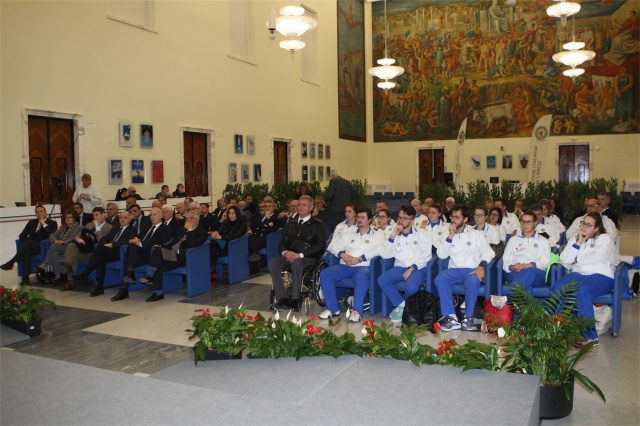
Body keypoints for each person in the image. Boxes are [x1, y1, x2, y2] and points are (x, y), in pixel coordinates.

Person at [550, 212, 615, 347]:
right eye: (583, 223)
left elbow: (598, 258)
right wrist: (579, 242)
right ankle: (557, 327)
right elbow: (565, 260)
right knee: (558, 285)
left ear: (597, 228)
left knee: (581, 290)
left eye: (589, 225)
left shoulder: (605, 239)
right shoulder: (575, 240)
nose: (584, 227)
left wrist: (577, 259)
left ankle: (590, 336)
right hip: (579, 274)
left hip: (601, 275)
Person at [435, 205, 495, 332]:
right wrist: (450, 236)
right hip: (454, 270)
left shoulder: (476, 234)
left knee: (472, 281)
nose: (453, 220)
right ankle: (451, 317)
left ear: (465, 219)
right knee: (440, 279)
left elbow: (489, 252)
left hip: (472, 270)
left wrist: (481, 266)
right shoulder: (448, 235)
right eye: (452, 217)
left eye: (457, 217)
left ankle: (469, 318)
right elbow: (441, 254)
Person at [319, 208, 383, 322]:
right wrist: (342, 255)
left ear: (370, 220)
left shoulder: (376, 233)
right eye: (358, 217)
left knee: (360, 276)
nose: (359, 220)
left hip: (364, 266)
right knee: (325, 274)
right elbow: (332, 246)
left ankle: (357, 311)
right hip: (345, 265)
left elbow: (380, 249)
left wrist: (359, 259)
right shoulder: (349, 233)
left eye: (362, 218)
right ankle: (333, 309)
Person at [270, 195, 327, 311]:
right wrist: (286, 252)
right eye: (299, 205)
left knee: (297, 263)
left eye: (304, 205)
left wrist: (300, 255)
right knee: (273, 262)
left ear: (311, 207)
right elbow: (282, 244)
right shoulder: (291, 223)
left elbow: (320, 246)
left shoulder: (318, 224)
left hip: (308, 257)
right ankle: (283, 298)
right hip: (291, 255)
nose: (300, 207)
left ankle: (296, 299)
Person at [136, 212, 209, 302]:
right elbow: (172, 243)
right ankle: (157, 291)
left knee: (157, 263)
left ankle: (154, 285)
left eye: (191, 218)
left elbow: (192, 244)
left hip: (183, 257)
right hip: (172, 254)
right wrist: (162, 247)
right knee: (158, 254)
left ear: (197, 220)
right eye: (186, 219)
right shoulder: (181, 230)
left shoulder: (202, 232)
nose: (188, 220)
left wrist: (189, 231)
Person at [377, 205, 432, 322]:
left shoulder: (422, 234)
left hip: (418, 268)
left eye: (405, 218)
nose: (401, 220)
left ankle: (406, 311)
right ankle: (403, 305)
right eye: (400, 217)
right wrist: (393, 235)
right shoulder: (394, 234)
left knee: (411, 286)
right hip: (400, 266)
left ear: (412, 220)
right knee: (382, 280)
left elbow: (426, 255)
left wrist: (411, 268)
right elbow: (385, 255)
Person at [70, 211, 137, 297]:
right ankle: (100, 286)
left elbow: (127, 241)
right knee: (101, 257)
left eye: (125, 217)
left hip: (120, 252)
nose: (122, 219)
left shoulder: (132, 229)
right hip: (108, 250)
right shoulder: (115, 228)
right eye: (121, 217)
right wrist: (105, 244)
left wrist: (112, 244)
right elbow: (104, 238)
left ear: (130, 219)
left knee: (100, 249)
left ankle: (85, 273)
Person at [114, 207, 171, 300]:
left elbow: (161, 241)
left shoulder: (165, 228)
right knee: (129, 251)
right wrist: (136, 240)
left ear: (161, 216)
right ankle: (126, 282)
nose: (152, 217)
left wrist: (141, 243)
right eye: (151, 215)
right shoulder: (146, 228)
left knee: (128, 257)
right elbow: (138, 237)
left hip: (152, 255)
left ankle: (126, 283)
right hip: (141, 254)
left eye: (155, 214)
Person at [1, 205, 58, 284]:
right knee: (27, 252)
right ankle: (25, 278)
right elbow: (22, 235)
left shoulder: (52, 223)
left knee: (28, 243)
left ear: (45, 213)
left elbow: (51, 235)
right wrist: (27, 243)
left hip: (43, 246)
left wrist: (44, 224)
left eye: (41, 211)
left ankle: (11, 262)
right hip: (31, 245)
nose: (39, 214)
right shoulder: (32, 222)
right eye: (37, 212)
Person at [59, 207, 113, 290]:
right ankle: (70, 272)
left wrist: (97, 227)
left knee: (72, 258)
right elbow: (79, 234)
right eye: (93, 215)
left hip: (95, 252)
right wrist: (78, 238)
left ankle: (70, 279)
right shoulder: (88, 225)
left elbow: (101, 242)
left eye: (97, 215)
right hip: (84, 249)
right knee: (71, 246)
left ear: (103, 215)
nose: (95, 217)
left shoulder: (109, 227)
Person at [502, 212, 550, 294]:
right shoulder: (513, 240)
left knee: (528, 272)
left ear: (535, 223)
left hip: (536, 272)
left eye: (528, 222)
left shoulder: (543, 241)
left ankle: (513, 299)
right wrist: (513, 267)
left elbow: (545, 261)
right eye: (523, 222)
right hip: (515, 272)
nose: (525, 225)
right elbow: (505, 259)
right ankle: (521, 305)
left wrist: (530, 265)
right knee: (527, 286)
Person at [34, 210, 81, 285]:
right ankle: (58, 275)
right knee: (55, 253)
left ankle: (45, 264)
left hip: (71, 247)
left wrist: (63, 242)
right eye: (66, 217)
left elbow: (76, 238)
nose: (68, 219)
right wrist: (55, 240)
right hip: (61, 247)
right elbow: (52, 235)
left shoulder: (79, 227)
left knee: (54, 246)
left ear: (74, 218)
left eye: (70, 217)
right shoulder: (63, 227)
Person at [209, 205, 247, 270]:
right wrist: (215, 234)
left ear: (237, 214)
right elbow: (219, 231)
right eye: (229, 213)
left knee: (212, 246)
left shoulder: (242, 224)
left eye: (233, 213)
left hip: (232, 247)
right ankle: (211, 267)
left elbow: (234, 237)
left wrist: (221, 237)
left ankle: (211, 268)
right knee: (210, 245)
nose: (231, 215)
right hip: (222, 246)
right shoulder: (226, 222)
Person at [248, 200, 281, 265]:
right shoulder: (261, 217)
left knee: (250, 241)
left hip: (267, 239)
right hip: (255, 238)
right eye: (266, 206)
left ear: (273, 208)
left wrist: (268, 218)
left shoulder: (276, 219)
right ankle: (254, 258)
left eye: (269, 206)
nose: (267, 208)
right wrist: (249, 230)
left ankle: (255, 257)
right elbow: (254, 227)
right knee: (247, 239)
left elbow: (272, 229)